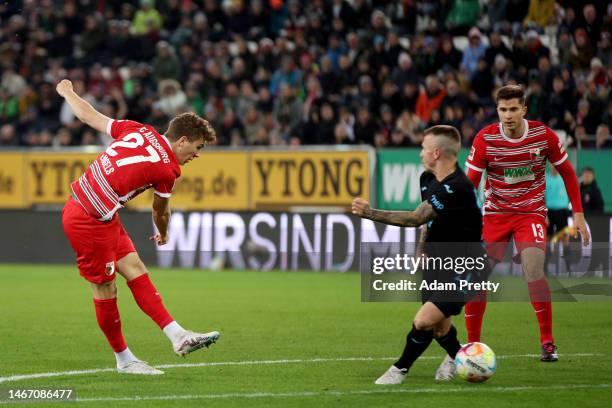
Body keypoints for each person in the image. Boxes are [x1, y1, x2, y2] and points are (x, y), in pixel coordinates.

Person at [57, 79, 220, 375]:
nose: (196, 155)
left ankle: (178, 336)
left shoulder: (138, 129)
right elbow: (160, 210)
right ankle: (125, 360)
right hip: (87, 219)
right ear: (181, 140)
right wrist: (163, 232)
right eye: (196, 147)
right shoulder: (169, 167)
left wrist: (67, 92)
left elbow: (89, 116)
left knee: (135, 268)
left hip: (101, 214)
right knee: (105, 289)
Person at [458, 85, 589, 365]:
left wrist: (577, 214)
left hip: (530, 213)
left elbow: (567, 173)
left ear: (524, 109)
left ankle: (547, 343)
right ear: (497, 111)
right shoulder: (485, 139)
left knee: (532, 268)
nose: (508, 115)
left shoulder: (543, 136)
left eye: (513, 109)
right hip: (495, 215)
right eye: (503, 110)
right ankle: (471, 345)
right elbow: (469, 184)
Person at [352, 125, 488, 384]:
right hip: (437, 263)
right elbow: (429, 222)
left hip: (466, 266)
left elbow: (417, 217)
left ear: (436, 152)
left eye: (423, 149)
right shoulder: (427, 179)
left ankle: (399, 369)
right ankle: (464, 359)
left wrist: (371, 213)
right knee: (440, 327)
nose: (420, 154)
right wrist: (422, 248)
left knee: (423, 320)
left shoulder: (458, 187)